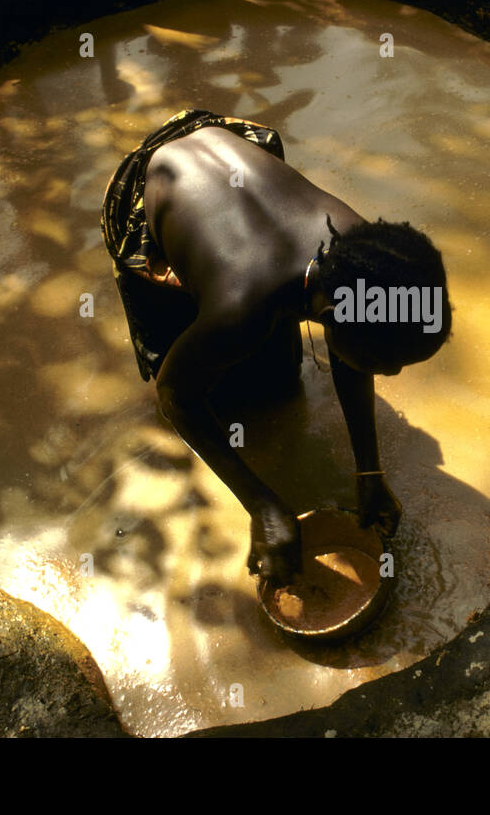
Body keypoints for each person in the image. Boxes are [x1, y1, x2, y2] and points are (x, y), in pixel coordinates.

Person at [101, 109, 452, 587]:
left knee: (280, 379)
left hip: (233, 144)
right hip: (147, 190)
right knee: (218, 392)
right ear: (336, 318)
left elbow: (353, 353)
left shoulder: (364, 257)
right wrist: (260, 504)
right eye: (386, 362)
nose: (390, 375)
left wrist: (369, 472)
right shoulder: (242, 308)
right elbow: (174, 397)